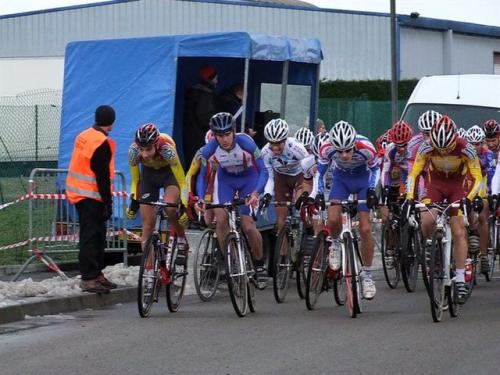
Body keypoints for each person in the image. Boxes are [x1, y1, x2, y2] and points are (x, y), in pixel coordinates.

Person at [405, 115, 483, 304]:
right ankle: (432, 244)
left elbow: (477, 176)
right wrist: (409, 198)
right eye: (440, 148)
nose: (444, 151)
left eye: (447, 147)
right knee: (427, 220)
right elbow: (414, 174)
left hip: (458, 186)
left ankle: (459, 277)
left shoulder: (466, 147)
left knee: (458, 231)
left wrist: (469, 199)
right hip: (436, 185)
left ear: (454, 139)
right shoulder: (426, 147)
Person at [195, 112, 269, 275]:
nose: (224, 139)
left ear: (234, 131)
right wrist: (200, 198)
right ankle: (232, 261)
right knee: (221, 221)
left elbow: (264, 171)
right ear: (214, 136)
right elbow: (202, 176)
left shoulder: (246, 143)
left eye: (227, 134)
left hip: (249, 178)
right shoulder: (209, 150)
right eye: (220, 135)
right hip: (226, 180)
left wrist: (256, 193)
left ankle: (259, 263)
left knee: (248, 226)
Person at [317, 121, 380, 300]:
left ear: (353, 144)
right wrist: (320, 193)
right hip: (341, 180)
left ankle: (367, 275)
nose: (344, 155)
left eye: (348, 150)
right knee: (333, 217)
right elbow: (320, 173)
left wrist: (370, 191)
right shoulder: (326, 148)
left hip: (362, 180)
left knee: (366, 228)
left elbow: (376, 169)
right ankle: (335, 243)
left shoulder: (366, 147)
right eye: (340, 151)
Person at [66, 105, 117, 294]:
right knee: (91, 237)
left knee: (96, 236)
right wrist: (108, 202)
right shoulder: (100, 143)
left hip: (81, 195)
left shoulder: (84, 135)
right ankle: (89, 277)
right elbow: (102, 177)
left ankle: (96, 273)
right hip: (92, 197)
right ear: (111, 122)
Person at [126, 123, 189, 276]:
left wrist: (184, 205)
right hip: (149, 176)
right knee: (147, 225)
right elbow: (136, 180)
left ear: (156, 145)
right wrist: (133, 202)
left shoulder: (167, 149)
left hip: (169, 174)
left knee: (170, 208)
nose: (145, 154)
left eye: (148, 149)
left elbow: (182, 182)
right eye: (142, 149)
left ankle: (181, 239)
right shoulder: (133, 152)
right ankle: (149, 273)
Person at [260, 120, 312, 233]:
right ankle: (283, 249)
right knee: (281, 221)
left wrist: (307, 192)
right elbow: (269, 176)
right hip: (281, 176)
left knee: (300, 203)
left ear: (285, 140)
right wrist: (268, 193)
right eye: (272, 144)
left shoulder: (296, 147)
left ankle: (303, 224)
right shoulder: (265, 152)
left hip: (299, 175)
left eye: (278, 144)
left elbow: (310, 168)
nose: (275, 148)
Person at [466, 125, 495, 274]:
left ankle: (483, 256)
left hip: (483, 192)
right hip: (467, 192)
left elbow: (491, 174)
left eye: (478, 143)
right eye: (472, 144)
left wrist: (492, 194)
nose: (475, 147)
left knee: (483, 214)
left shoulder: (488, 154)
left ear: (482, 143)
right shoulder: (464, 154)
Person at [183, 65, 218, 169]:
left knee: (192, 166)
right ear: (210, 79)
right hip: (199, 137)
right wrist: (215, 122)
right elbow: (204, 117)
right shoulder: (204, 95)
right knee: (200, 167)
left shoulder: (195, 93)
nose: (217, 81)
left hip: (190, 136)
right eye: (216, 78)